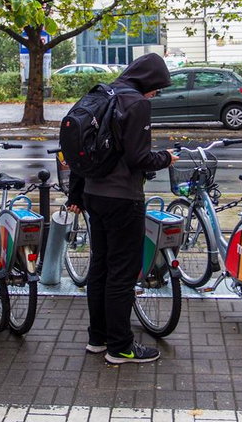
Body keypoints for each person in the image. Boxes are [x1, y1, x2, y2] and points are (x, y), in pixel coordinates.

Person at [66, 53, 179, 364]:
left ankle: (97, 339)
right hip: (122, 198)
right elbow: (138, 158)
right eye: (157, 87)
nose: (156, 94)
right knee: (122, 274)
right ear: (148, 81)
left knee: (99, 269)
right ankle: (121, 347)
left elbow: (79, 149)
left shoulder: (101, 94)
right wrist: (166, 158)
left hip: (93, 195)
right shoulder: (136, 104)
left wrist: (75, 193)